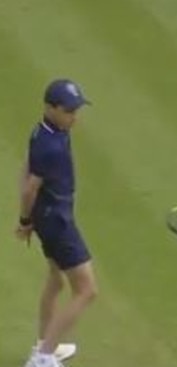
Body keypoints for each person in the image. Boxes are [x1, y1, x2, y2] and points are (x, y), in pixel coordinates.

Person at [16, 79, 98, 367]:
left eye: (76, 110)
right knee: (87, 289)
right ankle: (43, 357)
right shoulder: (50, 145)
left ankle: (44, 343)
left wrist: (28, 219)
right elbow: (29, 186)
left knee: (56, 278)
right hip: (56, 222)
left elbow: (25, 167)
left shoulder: (47, 131)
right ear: (51, 108)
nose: (74, 116)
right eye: (69, 111)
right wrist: (25, 219)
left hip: (47, 216)